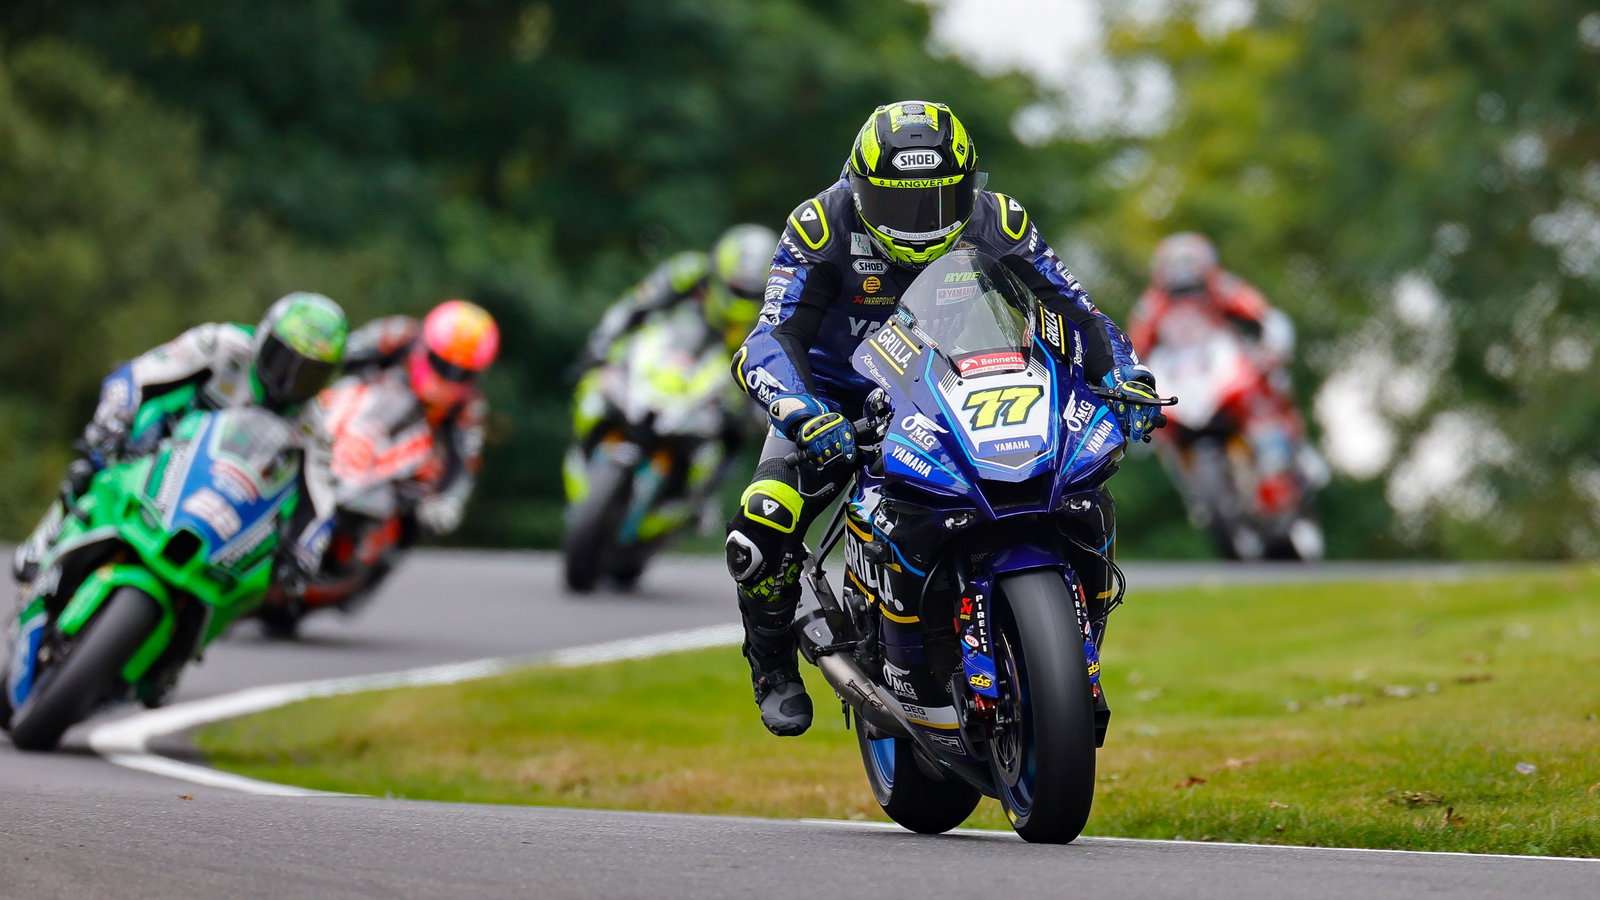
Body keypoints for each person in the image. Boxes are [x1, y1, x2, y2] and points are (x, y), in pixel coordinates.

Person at [725, 100, 1161, 736]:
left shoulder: (1000, 220)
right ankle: (771, 664)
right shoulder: (820, 225)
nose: (922, 223)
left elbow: (1076, 309)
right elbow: (768, 337)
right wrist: (806, 413)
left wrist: (1121, 371)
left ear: (968, 186)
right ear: (859, 187)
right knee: (763, 521)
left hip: (967, 381)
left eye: (939, 201)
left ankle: (1074, 654)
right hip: (839, 399)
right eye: (900, 205)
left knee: (1079, 488)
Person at [12, 292, 350, 590]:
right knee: (102, 452)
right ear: (264, 337)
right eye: (283, 360)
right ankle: (52, 533)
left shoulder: (313, 426)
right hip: (162, 445)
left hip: (228, 498)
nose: (290, 381)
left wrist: (306, 552)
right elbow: (137, 375)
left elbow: (321, 500)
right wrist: (112, 419)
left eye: (309, 374)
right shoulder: (222, 345)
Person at [1128, 233, 1325, 511]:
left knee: (1273, 384)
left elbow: (1261, 314)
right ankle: (1193, 491)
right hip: (1181, 377)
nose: (1183, 281)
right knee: (1157, 429)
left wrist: (1270, 344)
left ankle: (1297, 452)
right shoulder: (1152, 304)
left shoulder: (1222, 287)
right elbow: (1135, 348)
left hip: (1225, 362)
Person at [334, 299, 501, 540]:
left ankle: (379, 534)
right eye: (441, 364)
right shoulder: (396, 334)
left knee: (432, 480)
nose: (448, 377)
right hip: (356, 420)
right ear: (426, 345)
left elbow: (465, 461)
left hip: (404, 461)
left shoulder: (470, 406)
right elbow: (339, 357)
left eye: (462, 372)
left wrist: (449, 501)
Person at [576, 223, 780, 369]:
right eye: (738, 289)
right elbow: (635, 303)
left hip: (715, 388)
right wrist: (602, 341)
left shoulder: (779, 305)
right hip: (653, 363)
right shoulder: (688, 270)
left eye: (754, 293)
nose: (744, 298)